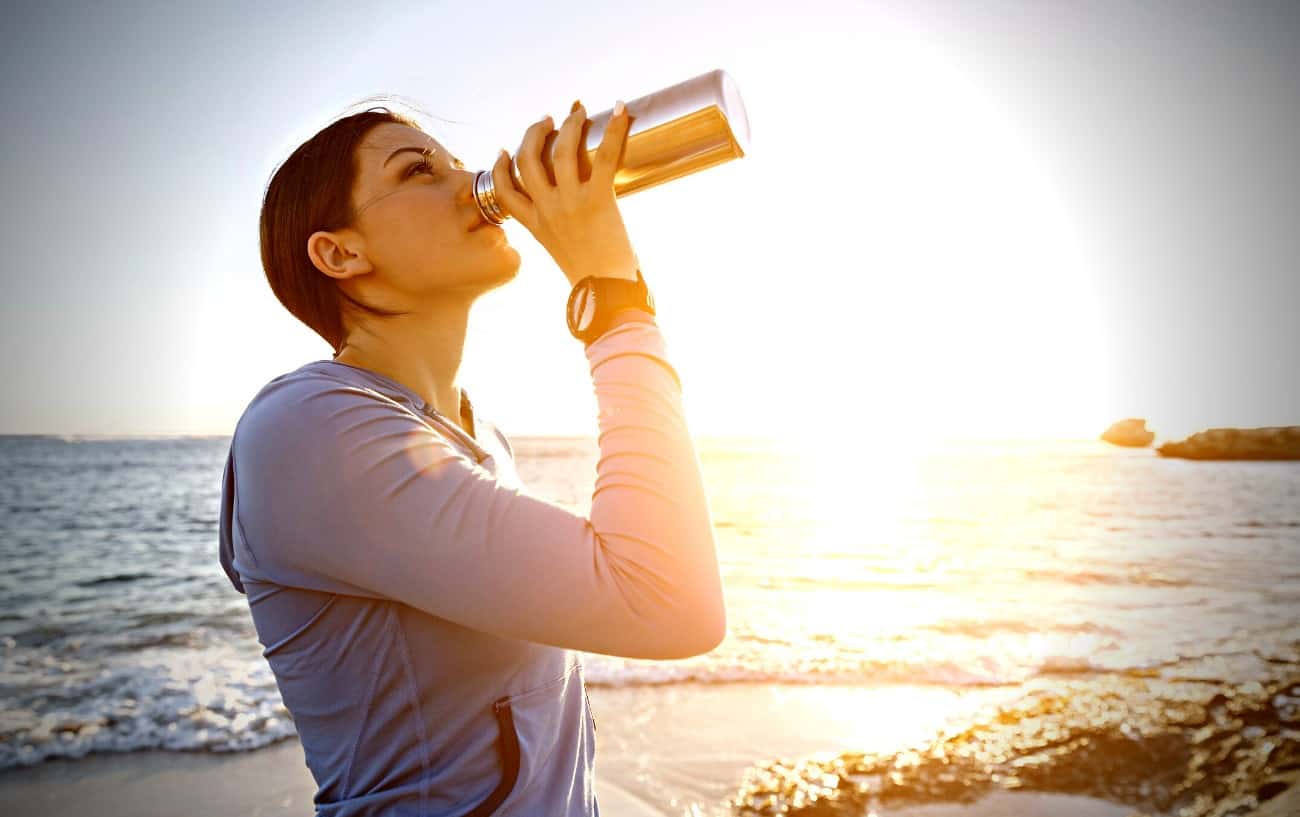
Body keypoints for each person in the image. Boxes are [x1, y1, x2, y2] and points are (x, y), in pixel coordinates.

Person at [217, 96, 725, 817]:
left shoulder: (474, 436)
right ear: (341, 252)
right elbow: (668, 601)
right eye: (420, 169)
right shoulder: (305, 427)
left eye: (459, 164)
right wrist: (608, 288)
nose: (471, 183)